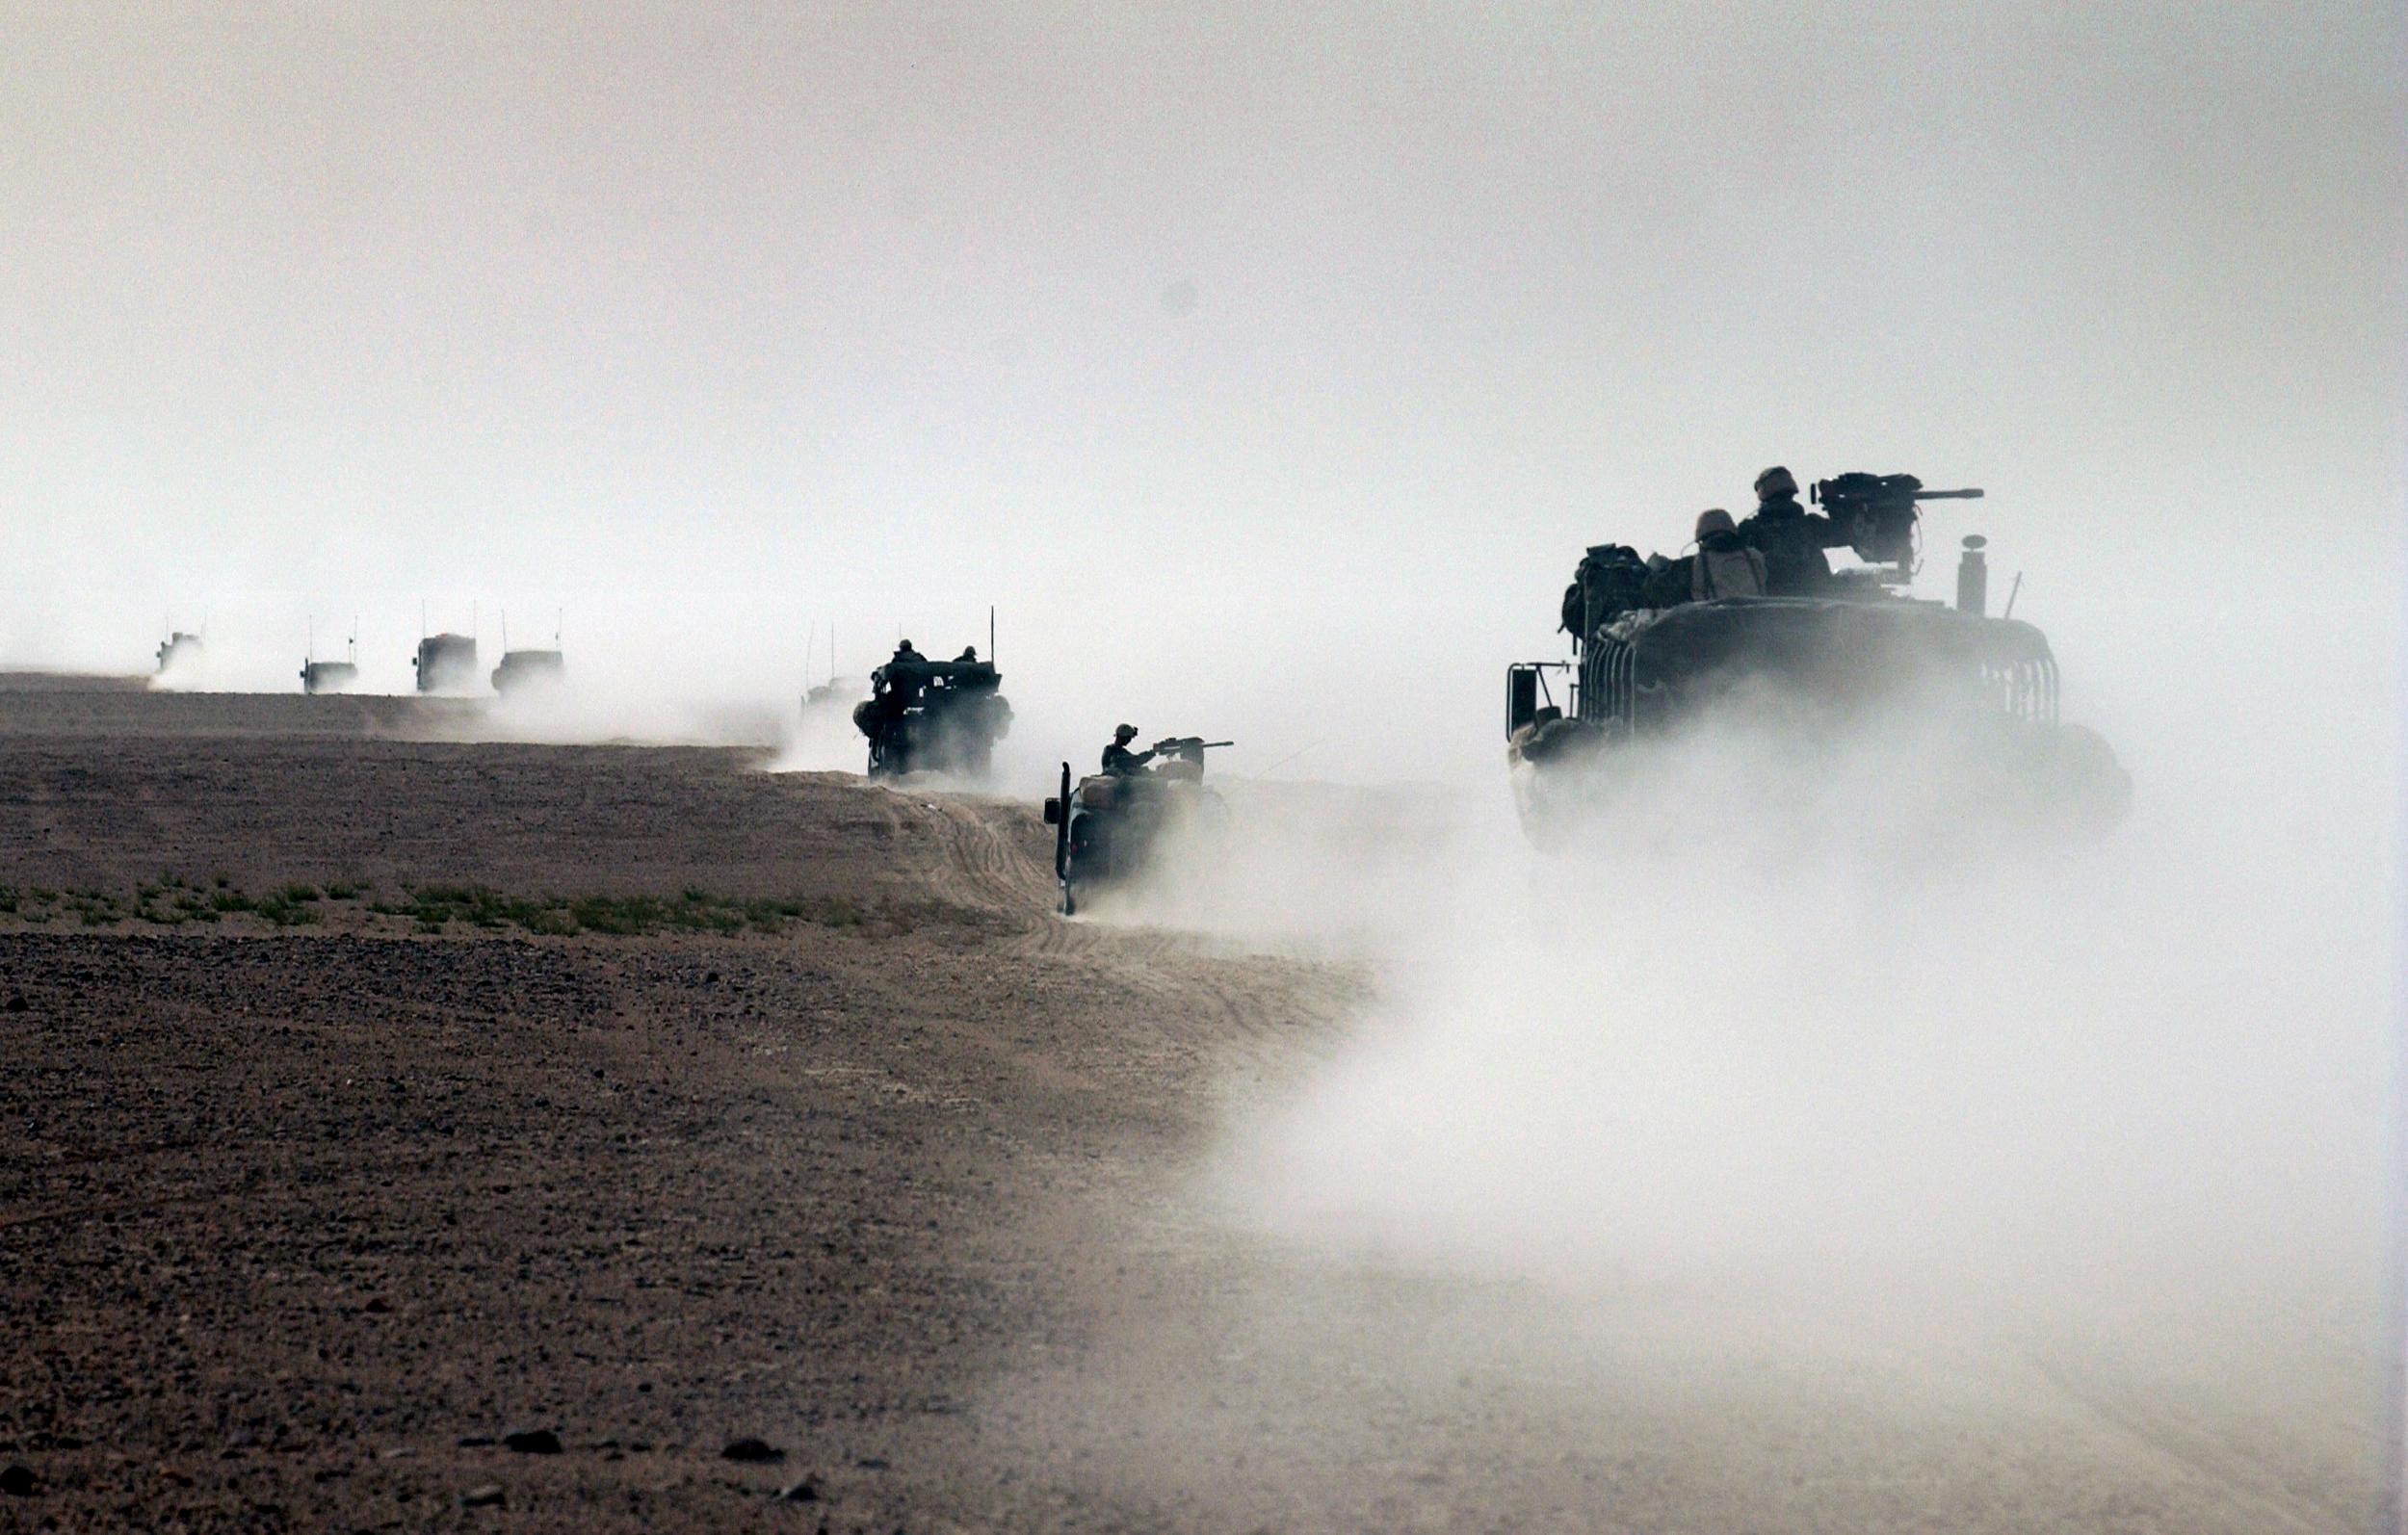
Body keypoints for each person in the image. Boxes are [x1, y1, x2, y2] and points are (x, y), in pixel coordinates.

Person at [1737, 465, 1852, 594]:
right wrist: (1833, 502)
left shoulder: (1750, 529)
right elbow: (1847, 533)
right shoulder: (1810, 524)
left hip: (1776, 603)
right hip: (1815, 599)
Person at [1690, 508, 1768, 600]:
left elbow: (1698, 597)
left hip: (1719, 614)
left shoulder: (1700, 562)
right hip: (1758, 612)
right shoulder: (1754, 555)